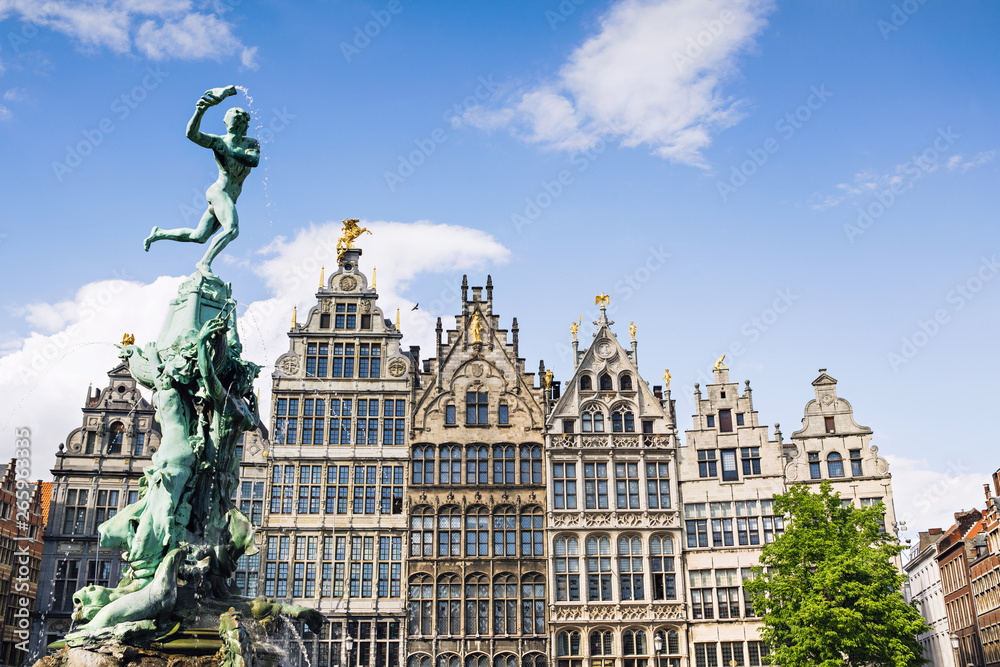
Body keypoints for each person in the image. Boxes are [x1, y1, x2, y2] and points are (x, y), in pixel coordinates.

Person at [144, 86, 259, 276]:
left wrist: (228, 151)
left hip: (228, 196)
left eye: (237, 124)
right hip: (219, 192)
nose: (235, 127)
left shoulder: (250, 143)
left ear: (242, 126)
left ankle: (159, 233)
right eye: (232, 123)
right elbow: (192, 135)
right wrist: (200, 110)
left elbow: (253, 161)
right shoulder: (219, 141)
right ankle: (204, 263)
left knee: (199, 236)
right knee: (232, 230)